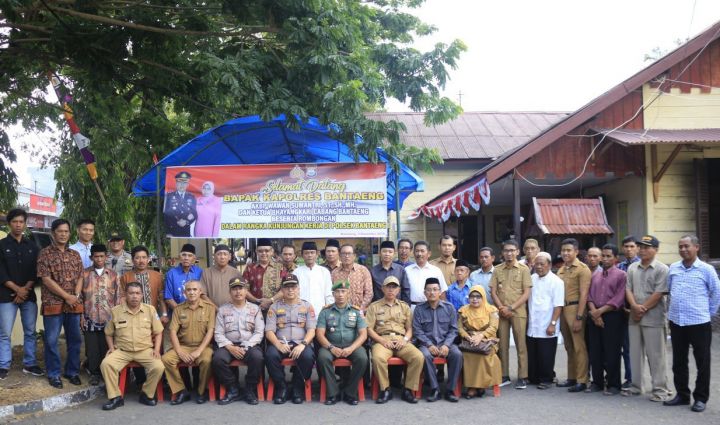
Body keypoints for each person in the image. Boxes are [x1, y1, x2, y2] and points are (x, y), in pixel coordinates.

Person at [663, 235, 720, 413]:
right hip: (677, 322)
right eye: (680, 247)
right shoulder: (673, 268)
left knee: (702, 362)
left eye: (687, 246)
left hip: (699, 323)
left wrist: (706, 314)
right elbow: (669, 291)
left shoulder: (706, 269)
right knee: (678, 361)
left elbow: (716, 294)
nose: (683, 250)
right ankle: (682, 395)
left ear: (697, 247)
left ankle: (701, 398)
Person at [100, 282, 165, 410]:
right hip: (123, 351)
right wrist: (112, 348)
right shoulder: (115, 311)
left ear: (141, 295)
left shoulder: (150, 310)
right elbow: (108, 333)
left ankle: (146, 394)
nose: (134, 296)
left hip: (145, 350)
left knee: (158, 366)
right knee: (106, 364)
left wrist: (157, 350)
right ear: (125, 295)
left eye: (137, 293)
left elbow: (158, 332)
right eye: (131, 293)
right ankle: (115, 397)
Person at [37, 218, 84, 389]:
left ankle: (72, 372)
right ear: (53, 233)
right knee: (51, 340)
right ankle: (54, 373)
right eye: (60, 231)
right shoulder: (45, 254)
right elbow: (46, 279)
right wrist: (66, 296)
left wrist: (76, 295)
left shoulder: (75, 255)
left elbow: (80, 276)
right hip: (53, 303)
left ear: (69, 233)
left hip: (73, 304)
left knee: (75, 339)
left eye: (66, 231)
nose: (63, 234)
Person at [624, 235, 671, 400]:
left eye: (646, 247)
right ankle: (637, 387)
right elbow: (628, 289)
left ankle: (660, 390)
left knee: (656, 356)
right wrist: (634, 307)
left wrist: (641, 309)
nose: (642, 250)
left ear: (656, 250)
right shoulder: (632, 268)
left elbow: (659, 293)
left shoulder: (662, 269)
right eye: (641, 247)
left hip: (654, 318)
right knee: (635, 354)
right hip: (634, 318)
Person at [366, 275, 423, 404]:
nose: (391, 290)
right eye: (388, 287)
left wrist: (405, 339)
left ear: (398, 290)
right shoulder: (374, 306)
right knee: (377, 358)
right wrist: (381, 341)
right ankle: (385, 389)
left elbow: (410, 328)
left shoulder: (404, 307)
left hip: (401, 340)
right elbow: (369, 329)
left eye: (394, 287)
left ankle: (408, 390)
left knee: (418, 357)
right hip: (382, 339)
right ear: (382, 289)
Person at [0, 208, 42, 380]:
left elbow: (36, 271)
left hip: (28, 296)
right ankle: (3, 365)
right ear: (9, 223)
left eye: (21, 222)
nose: (18, 225)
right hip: (5, 296)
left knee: (30, 331)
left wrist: (24, 289)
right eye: (15, 221)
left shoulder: (33, 247)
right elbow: (1, 272)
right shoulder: (1, 246)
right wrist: (17, 289)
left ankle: (30, 364)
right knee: (4, 333)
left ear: (25, 224)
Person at [162, 280, 217, 405]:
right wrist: (180, 352)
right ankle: (181, 391)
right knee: (166, 359)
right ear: (184, 292)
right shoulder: (178, 309)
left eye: (195, 289)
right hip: (183, 346)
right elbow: (173, 332)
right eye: (189, 290)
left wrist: (198, 351)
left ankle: (202, 391)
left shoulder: (209, 308)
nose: (192, 292)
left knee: (207, 360)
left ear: (200, 292)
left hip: (203, 347)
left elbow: (210, 332)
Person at [265, 274, 317, 404]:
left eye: (293, 287)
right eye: (287, 287)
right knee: (270, 355)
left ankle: (297, 388)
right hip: (281, 343)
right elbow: (269, 331)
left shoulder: (307, 306)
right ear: (282, 290)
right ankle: (281, 387)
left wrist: (303, 344)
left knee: (308, 356)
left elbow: (312, 330)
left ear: (298, 288)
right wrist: (278, 345)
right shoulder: (274, 307)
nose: (290, 290)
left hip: (301, 343)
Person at [315, 280, 369, 405]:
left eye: (343, 291)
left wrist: (352, 348)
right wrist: (331, 347)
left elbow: (363, 334)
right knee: (323, 358)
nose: (340, 294)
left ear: (348, 294)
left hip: (352, 346)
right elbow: (319, 334)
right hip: (331, 345)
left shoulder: (356, 311)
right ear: (333, 294)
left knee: (362, 358)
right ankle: (333, 393)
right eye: (337, 292)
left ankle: (350, 392)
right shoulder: (325, 312)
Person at [212, 277, 265, 405]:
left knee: (257, 357)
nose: (238, 292)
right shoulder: (223, 310)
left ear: (246, 290)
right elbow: (218, 333)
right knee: (217, 359)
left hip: (249, 344)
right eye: (234, 289)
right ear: (229, 292)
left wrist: (246, 346)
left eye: (241, 288)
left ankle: (249, 389)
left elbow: (259, 332)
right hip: (228, 345)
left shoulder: (255, 309)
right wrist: (230, 347)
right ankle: (233, 388)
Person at [489, 239, 532, 389]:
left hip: (518, 311)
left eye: (512, 250)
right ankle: (504, 374)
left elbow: (527, 292)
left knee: (521, 345)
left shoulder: (523, 269)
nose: (509, 253)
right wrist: (501, 308)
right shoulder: (497, 269)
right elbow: (493, 291)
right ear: (502, 253)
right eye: (506, 250)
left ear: (517, 252)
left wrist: (511, 307)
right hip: (501, 313)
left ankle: (522, 376)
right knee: (503, 345)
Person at [412, 277, 461, 402]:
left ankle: (450, 389)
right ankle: (435, 389)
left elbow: (453, 330)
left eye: (435, 290)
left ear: (440, 292)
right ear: (424, 293)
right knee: (425, 355)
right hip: (426, 344)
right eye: (429, 290)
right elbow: (417, 331)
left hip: (446, 343)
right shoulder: (419, 309)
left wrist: (446, 345)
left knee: (457, 354)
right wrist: (429, 345)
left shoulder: (449, 308)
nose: (432, 293)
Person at [586, 244, 626, 395]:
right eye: (603, 255)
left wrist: (600, 312)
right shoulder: (595, 275)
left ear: (616, 258)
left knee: (612, 351)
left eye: (609, 256)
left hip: (612, 316)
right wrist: (594, 313)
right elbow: (589, 296)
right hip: (594, 315)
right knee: (595, 351)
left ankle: (614, 384)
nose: (605, 258)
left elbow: (619, 298)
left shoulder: (621, 275)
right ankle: (597, 382)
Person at [80, 244, 121, 386]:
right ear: (91, 257)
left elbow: (118, 297)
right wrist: (81, 316)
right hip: (89, 316)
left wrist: (117, 318)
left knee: (106, 346)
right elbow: (80, 296)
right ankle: (94, 373)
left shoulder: (114, 275)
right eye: (96, 256)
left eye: (101, 256)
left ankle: (106, 372)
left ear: (106, 257)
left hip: (108, 317)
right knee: (92, 348)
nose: (99, 259)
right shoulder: (84, 274)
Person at [556, 238, 591, 393]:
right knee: (568, 346)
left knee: (579, 346)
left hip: (576, 308)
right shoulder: (561, 269)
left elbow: (584, 294)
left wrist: (579, 317)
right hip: (563, 309)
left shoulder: (583, 269)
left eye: (569, 250)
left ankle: (582, 380)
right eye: (563, 250)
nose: (565, 253)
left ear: (576, 252)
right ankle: (572, 377)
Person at [526, 252, 563, 390]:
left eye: (542, 264)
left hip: (547, 322)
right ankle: (534, 377)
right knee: (533, 352)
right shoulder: (531, 278)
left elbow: (558, 305)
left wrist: (552, 324)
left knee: (546, 353)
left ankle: (547, 379)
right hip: (533, 323)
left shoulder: (557, 281)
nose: (539, 267)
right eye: (537, 264)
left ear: (549, 265)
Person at [457, 285, 502, 398]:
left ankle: (476, 387)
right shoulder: (464, 310)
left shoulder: (492, 310)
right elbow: (459, 328)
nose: (475, 299)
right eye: (472, 296)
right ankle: (475, 386)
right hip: (470, 341)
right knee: (468, 354)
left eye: (478, 296)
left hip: (488, 341)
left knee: (483, 355)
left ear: (483, 297)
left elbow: (493, 327)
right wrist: (468, 337)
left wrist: (481, 336)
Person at [618, 235, 639, 389]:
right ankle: (630, 378)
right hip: (622, 312)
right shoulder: (619, 267)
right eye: (626, 246)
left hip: (640, 311)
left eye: (632, 246)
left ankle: (651, 381)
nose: (629, 249)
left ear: (637, 248)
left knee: (645, 349)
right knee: (627, 348)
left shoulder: (641, 265)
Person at [404, 241, 447, 309]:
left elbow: (442, 293)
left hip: (431, 308)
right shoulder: (407, 270)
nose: (419, 254)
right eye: (417, 251)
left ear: (429, 254)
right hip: (411, 308)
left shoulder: (436, 271)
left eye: (422, 251)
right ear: (413, 253)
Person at [242, 238, 283, 311]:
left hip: (276, 310)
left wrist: (271, 300)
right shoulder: (249, 268)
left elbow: (284, 289)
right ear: (256, 252)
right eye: (260, 251)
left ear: (272, 252)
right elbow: (244, 289)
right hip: (253, 309)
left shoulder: (280, 268)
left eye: (267, 251)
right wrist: (256, 300)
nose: (264, 253)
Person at [332, 244, 373, 314]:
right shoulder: (334, 273)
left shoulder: (363, 270)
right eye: (344, 253)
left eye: (349, 253)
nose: (346, 256)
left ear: (354, 256)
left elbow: (369, 293)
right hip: (340, 313)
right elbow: (332, 294)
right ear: (340, 256)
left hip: (360, 312)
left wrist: (360, 309)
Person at [295, 241, 333, 314]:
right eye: (306, 253)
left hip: (321, 311)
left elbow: (328, 294)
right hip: (301, 312)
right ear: (302, 255)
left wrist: (329, 311)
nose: (309, 255)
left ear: (317, 254)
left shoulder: (324, 272)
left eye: (312, 252)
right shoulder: (296, 272)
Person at [164, 243, 203, 315]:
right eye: (184, 255)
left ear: (194, 258)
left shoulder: (200, 272)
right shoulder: (171, 273)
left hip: (197, 314)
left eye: (190, 255)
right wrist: (182, 312)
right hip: (177, 313)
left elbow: (202, 294)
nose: (186, 258)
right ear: (179, 257)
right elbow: (168, 298)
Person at [164, 171, 197, 237]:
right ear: (176, 183)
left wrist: (186, 222)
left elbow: (194, 214)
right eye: (180, 182)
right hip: (172, 231)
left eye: (184, 183)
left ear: (188, 185)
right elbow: (165, 214)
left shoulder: (192, 197)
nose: (182, 185)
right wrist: (168, 232)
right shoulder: (168, 196)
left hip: (186, 231)